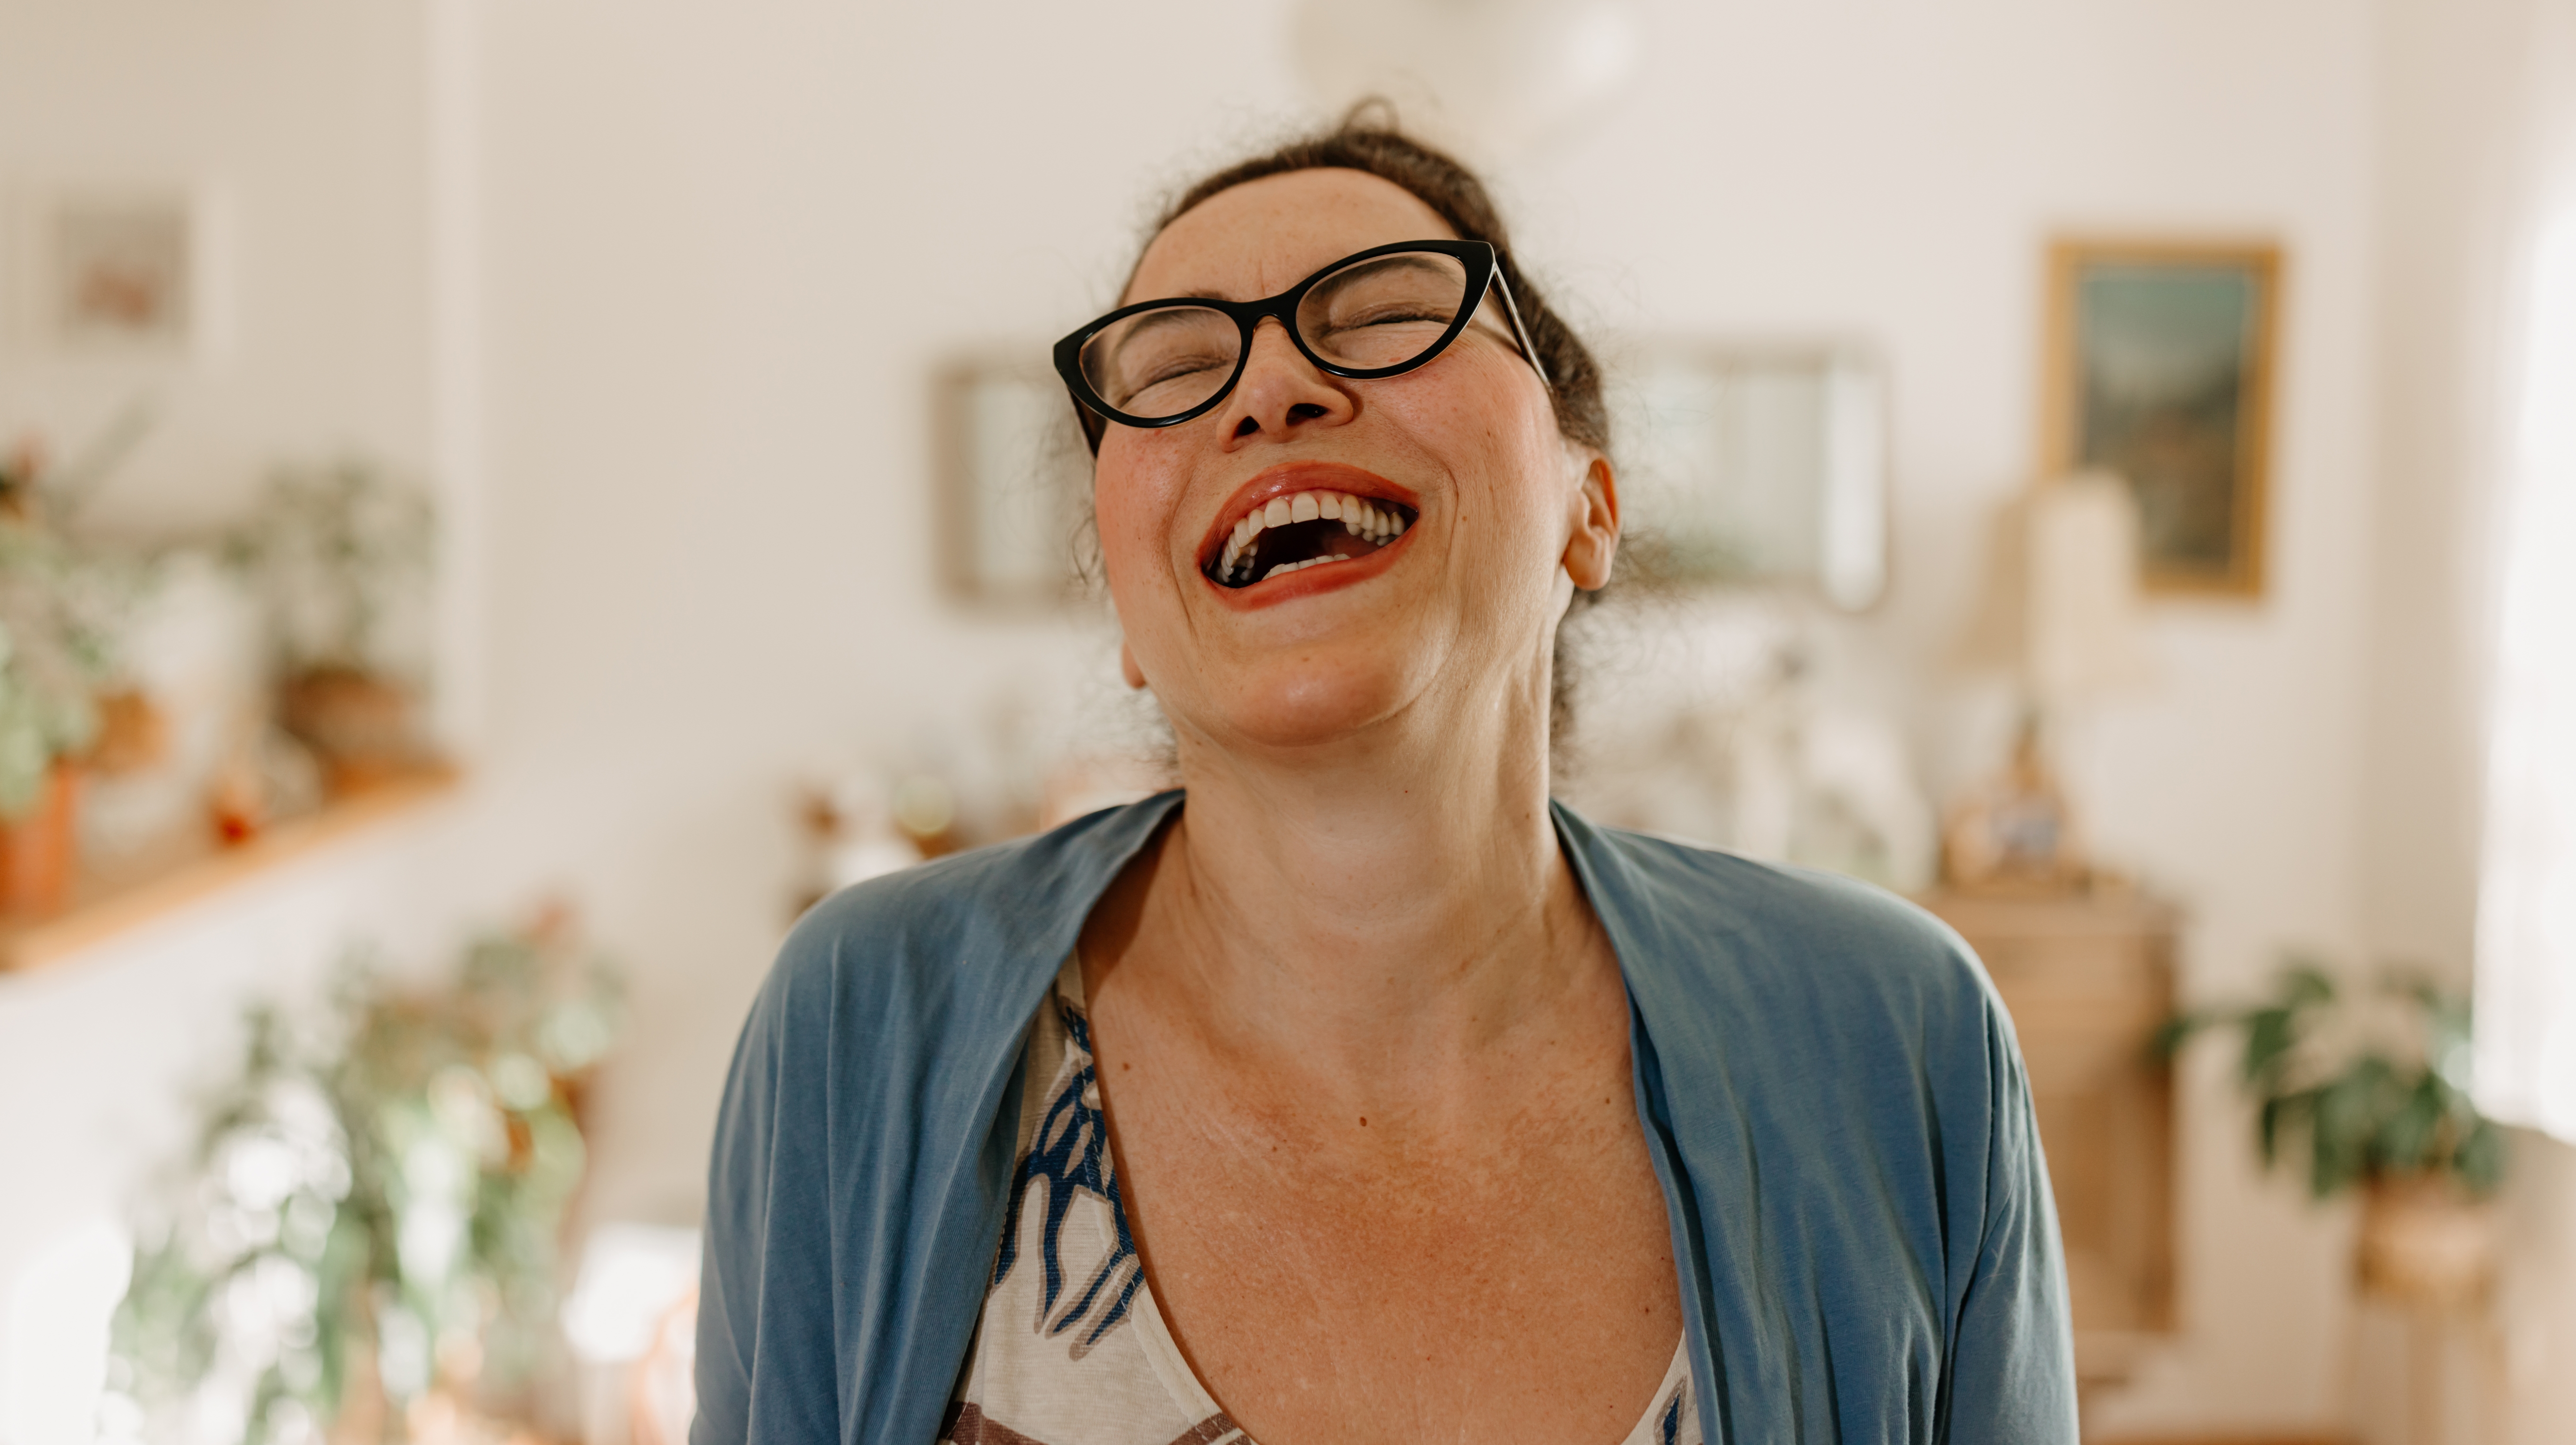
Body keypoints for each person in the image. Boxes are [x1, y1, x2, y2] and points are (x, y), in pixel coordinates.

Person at [691, 120, 2078, 1445]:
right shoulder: (860, 1021)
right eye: (1172, 369)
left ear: (1589, 510)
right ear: (1124, 606)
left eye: (1387, 316)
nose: (1270, 388)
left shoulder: (1900, 1038)